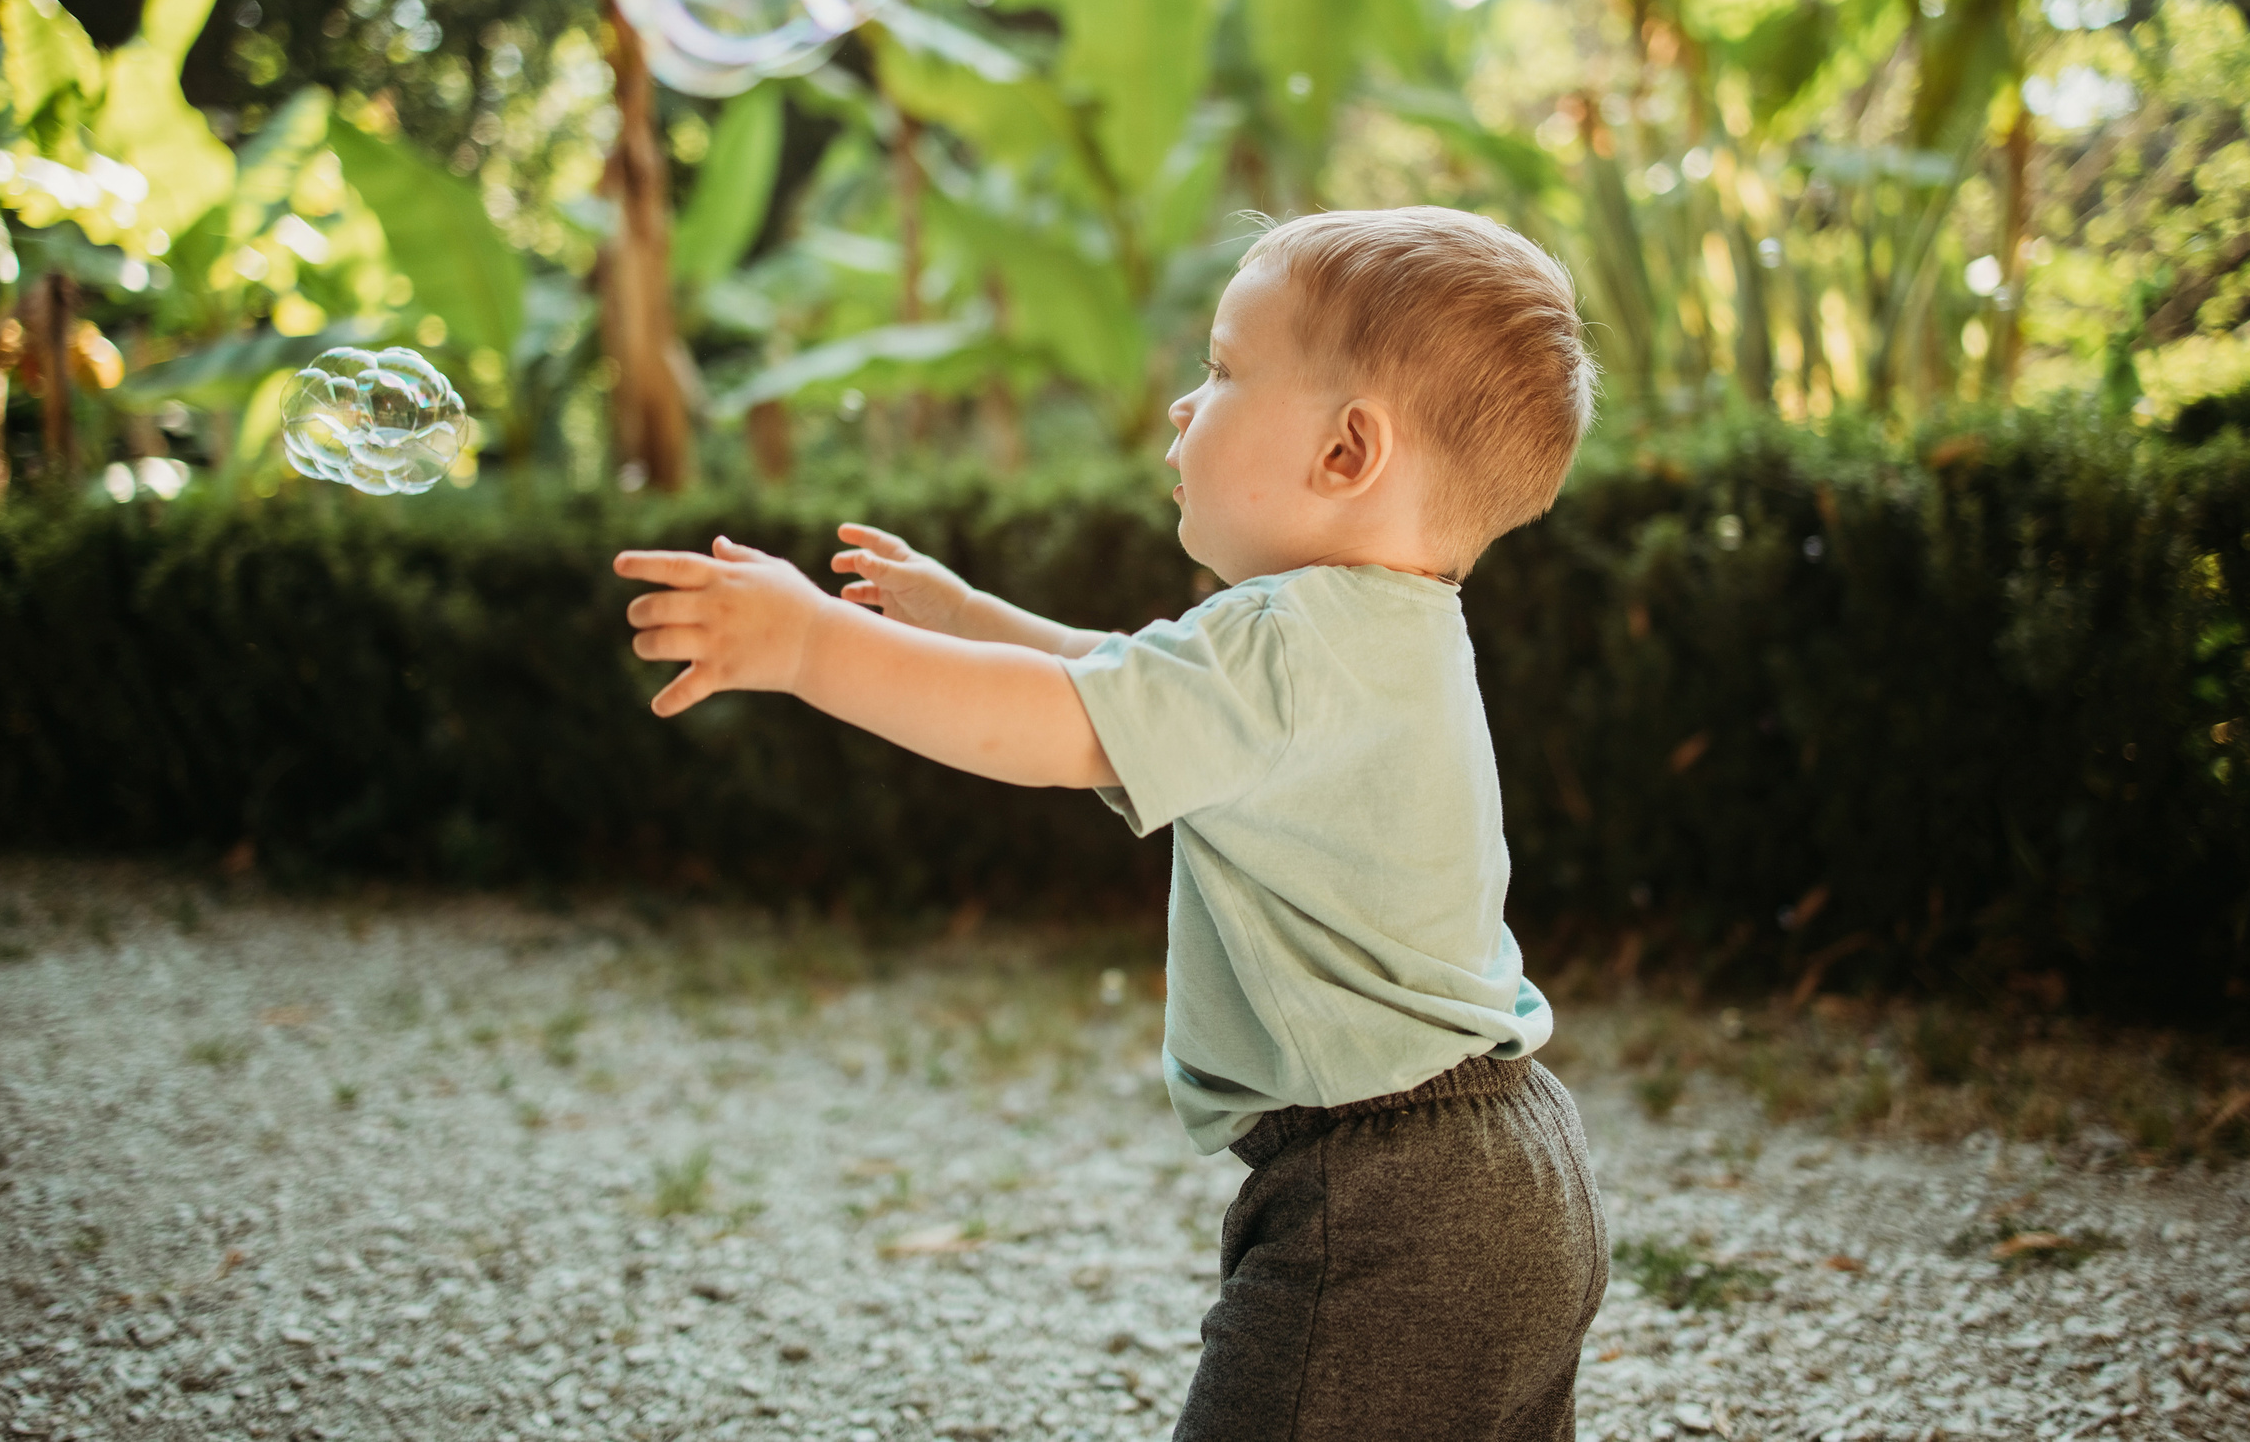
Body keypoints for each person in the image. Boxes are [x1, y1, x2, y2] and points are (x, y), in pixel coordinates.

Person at [615, 206, 1610, 1440]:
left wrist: (813, 644)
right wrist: (971, 616)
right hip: (1514, 1172)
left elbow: (1064, 728)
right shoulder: (1379, 636)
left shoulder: (1289, 639)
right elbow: (1130, 688)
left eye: (1225, 369)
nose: (1186, 409)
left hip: (1389, 1198)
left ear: (1349, 452)